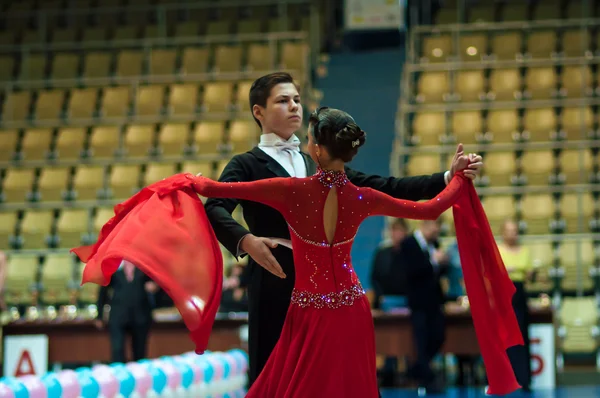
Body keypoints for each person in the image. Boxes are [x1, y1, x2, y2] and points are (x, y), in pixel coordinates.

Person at [74, 106, 524, 396]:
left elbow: (215, 188)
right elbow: (428, 210)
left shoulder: (291, 191)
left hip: (307, 311)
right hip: (350, 310)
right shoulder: (361, 197)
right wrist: (457, 180)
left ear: (314, 147)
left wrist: (179, 182)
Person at [204, 72, 484, 385]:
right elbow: (214, 205)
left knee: (330, 379)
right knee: (272, 376)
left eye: (296, 99)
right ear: (259, 112)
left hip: (325, 293)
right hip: (273, 281)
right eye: (283, 101)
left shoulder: (319, 160)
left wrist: (446, 177)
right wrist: (246, 240)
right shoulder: (245, 164)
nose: (294, 106)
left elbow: (386, 186)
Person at [402, 219, 449, 393]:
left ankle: (416, 369)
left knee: (438, 336)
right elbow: (412, 271)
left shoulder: (435, 243)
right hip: (418, 301)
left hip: (435, 301)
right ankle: (428, 381)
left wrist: (442, 263)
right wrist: (434, 262)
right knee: (421, 340)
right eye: (434, 228)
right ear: (425, 226)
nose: (436, 232)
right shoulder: (408, 244)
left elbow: (439, 273)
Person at [94, 259, 159, 362]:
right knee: (117, 349)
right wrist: (99, 315)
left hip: (140, 316)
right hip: (118, 316)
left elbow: (158, 281)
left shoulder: (144, 268)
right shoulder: (113, 268)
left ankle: (139, 375)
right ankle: (119, 375)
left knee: (140, 351)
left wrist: (154, 286)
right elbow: (103, 292)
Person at [498, 220, 533, 392]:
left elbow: (527, 273)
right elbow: (498, 271)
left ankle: (524, 379)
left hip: (520, 294)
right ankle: (507, 378)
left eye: (515, 230)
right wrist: (514, 270)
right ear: (503, 232)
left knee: (522, 336)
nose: (513, 234)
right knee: (506, 337)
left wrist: (513, 270)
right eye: (509, 230)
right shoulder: (498, 250)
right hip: (504, 295)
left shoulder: (525, 251)